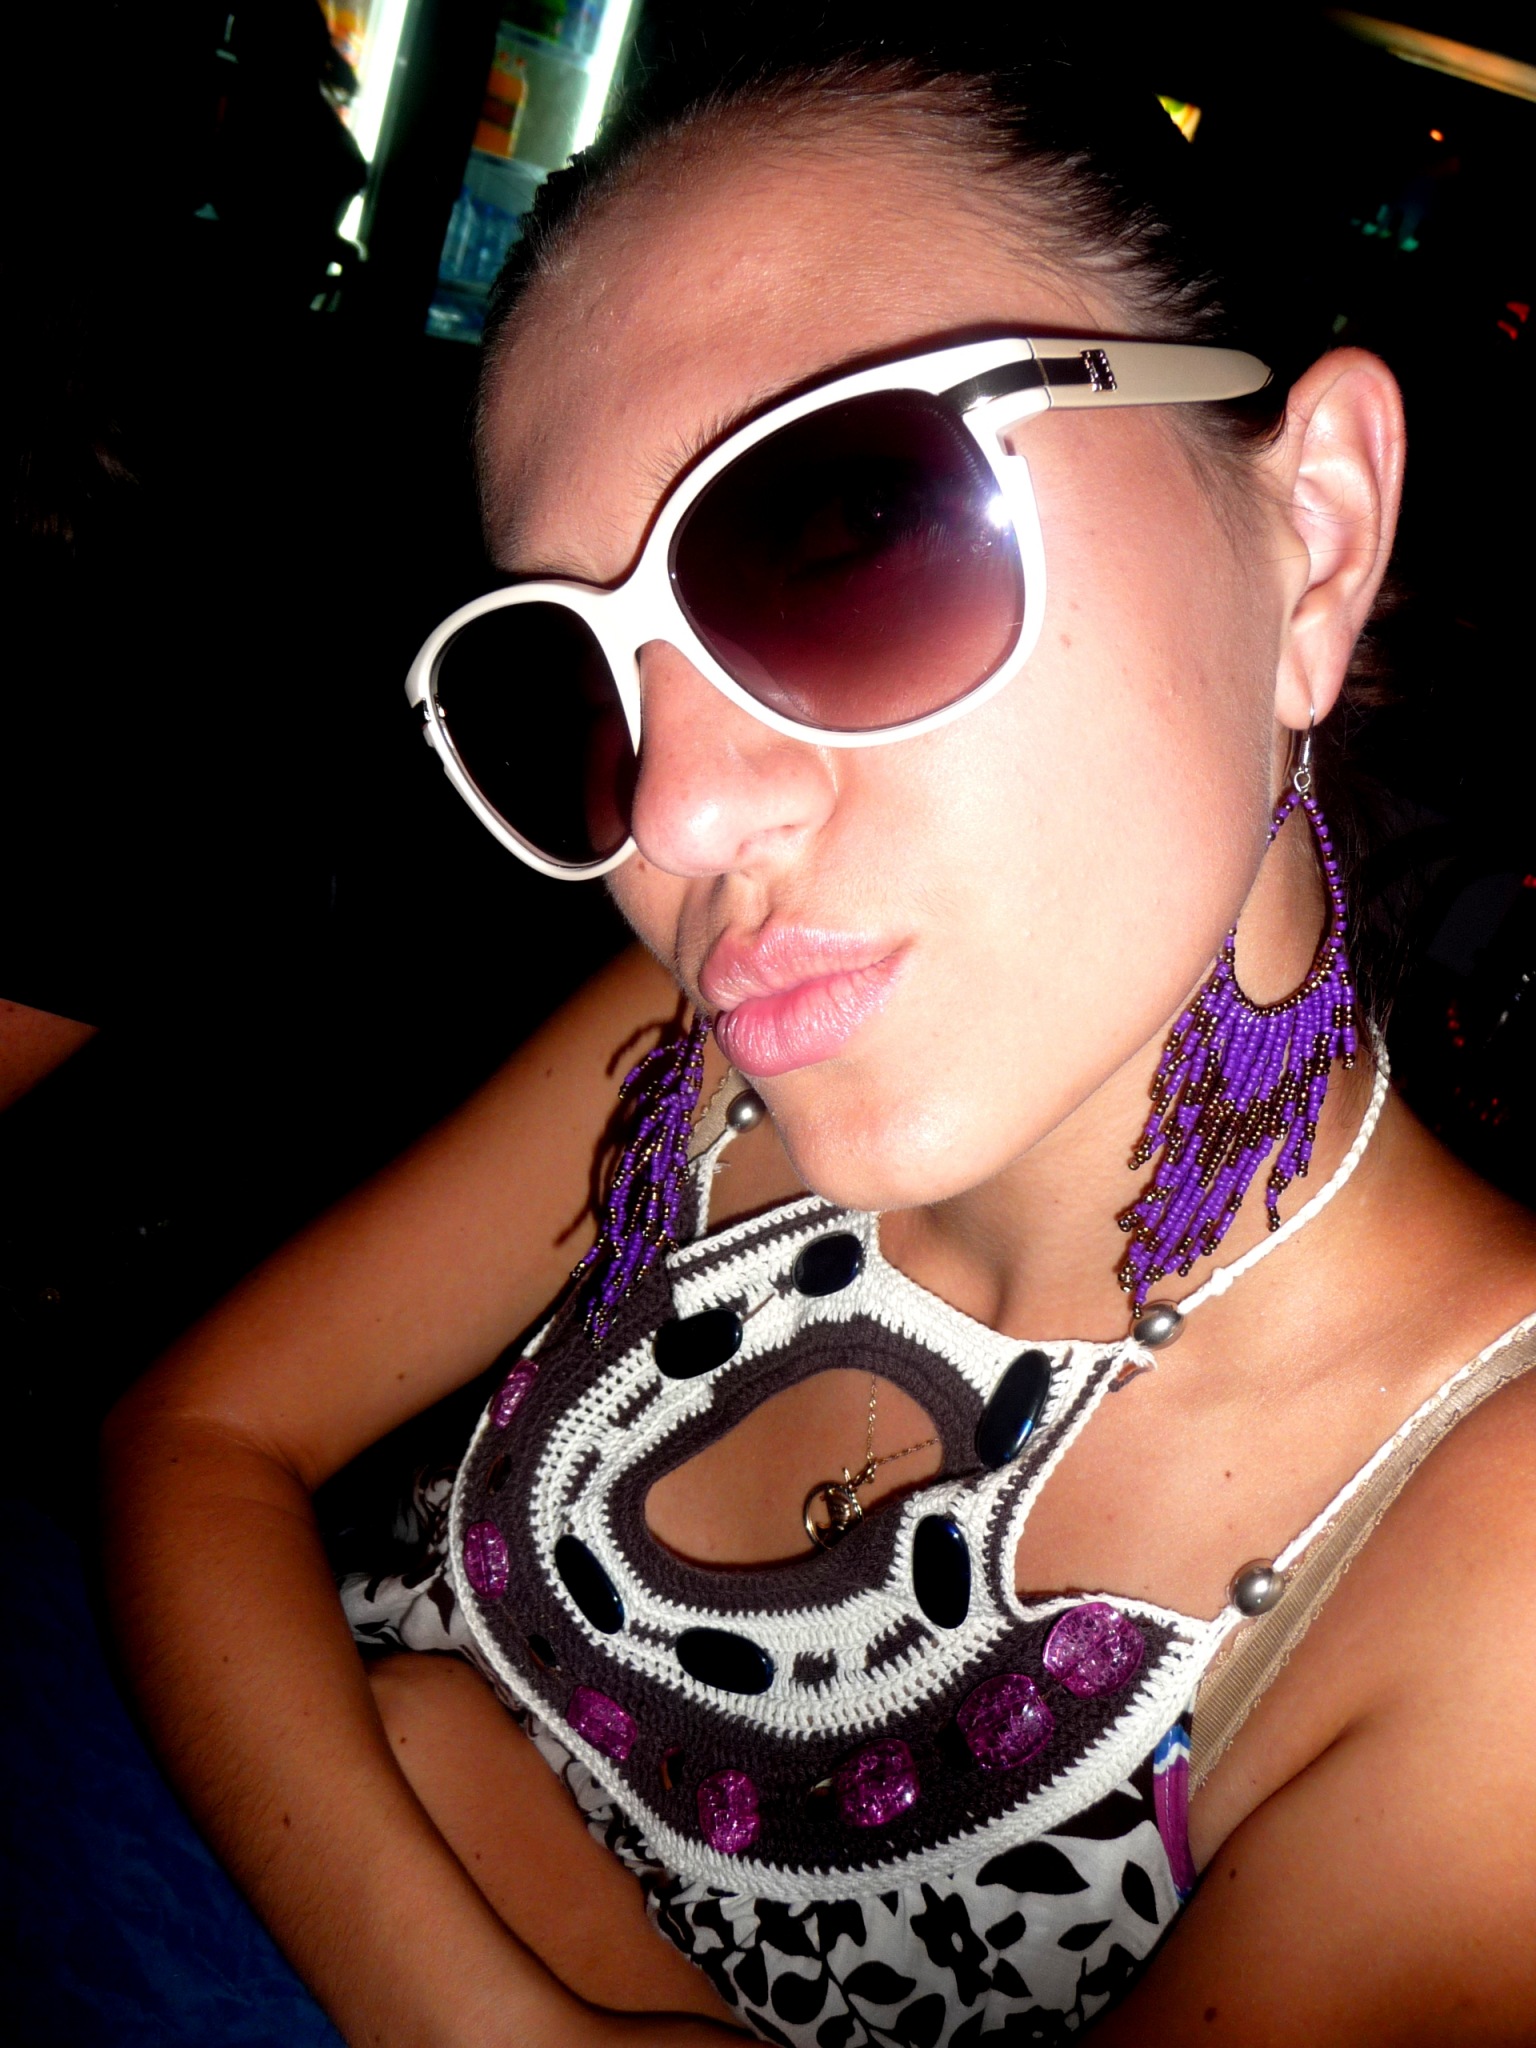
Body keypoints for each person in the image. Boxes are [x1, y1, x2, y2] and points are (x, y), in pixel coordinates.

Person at [103, 18, 1536, 2046]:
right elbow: (193, 1439)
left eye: (850, 536)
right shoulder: (716, 1054)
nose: (676, 816)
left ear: (1310, 531)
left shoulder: (1490, 1554)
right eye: (582, 687)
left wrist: (460, 1842)